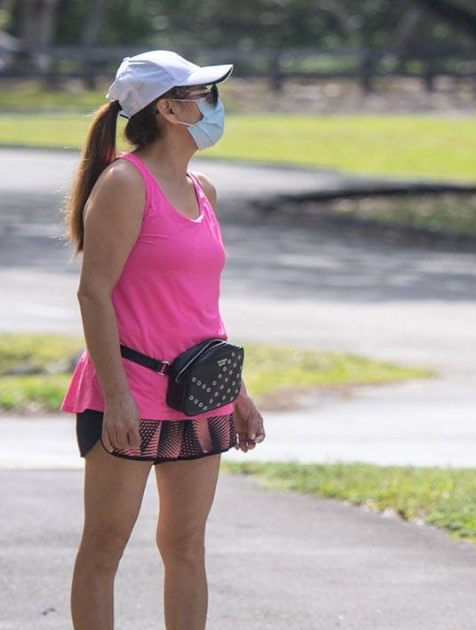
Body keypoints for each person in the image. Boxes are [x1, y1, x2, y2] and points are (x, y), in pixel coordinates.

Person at [59, 50, 266, 630]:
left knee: (186, 547)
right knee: (104, 549)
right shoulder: (126, 183)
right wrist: (119, 398)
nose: (212, 106)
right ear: (171, 109)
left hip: (200, 395)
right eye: (202, 94)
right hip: (130, 391)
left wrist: (238, 392)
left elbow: (201, 310)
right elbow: (93, 294)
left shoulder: (204, 190)